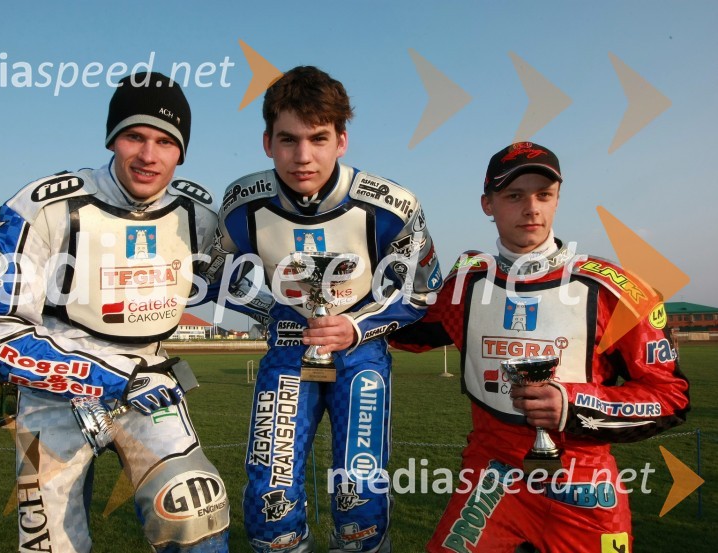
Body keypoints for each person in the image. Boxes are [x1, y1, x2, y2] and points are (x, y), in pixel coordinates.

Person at [0, 72, 230, 552]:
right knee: (48, 545)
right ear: (112, 138)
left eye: (166, 142)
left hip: (150, 381)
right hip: (52, 389)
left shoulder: (198, 215)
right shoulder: (44, 206)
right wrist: (111, 377)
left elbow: (232, 284)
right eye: (135, 136)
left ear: (182, 152)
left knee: (194, 510)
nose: (149, 156)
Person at [388, 142, 691, 553]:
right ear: (487, 204)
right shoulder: (464, 286)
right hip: (492, 478)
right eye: (514, 196)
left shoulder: (614, 290)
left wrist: (576, 404)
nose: (531, 208)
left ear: (557, 200)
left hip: (584, 486)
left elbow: (670, 395)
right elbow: (397, 328)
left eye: (543, 195)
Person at [201, 66, 441, 553]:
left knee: (359, 496)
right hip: (290, 350)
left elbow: (422, 291)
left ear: (342, 141)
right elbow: (212, 275)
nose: (303, 157)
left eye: (318, 138)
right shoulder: (242, 203)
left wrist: (355, 326)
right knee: (272, 495)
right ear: (267, 141)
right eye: (288, 140)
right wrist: (274, 315)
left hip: (361, 354)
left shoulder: (393, 204)